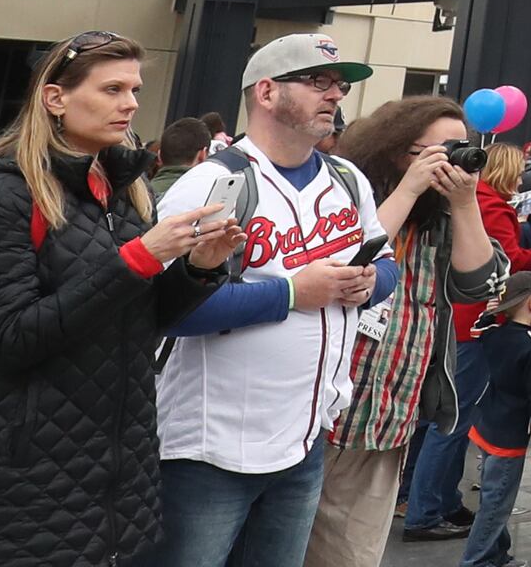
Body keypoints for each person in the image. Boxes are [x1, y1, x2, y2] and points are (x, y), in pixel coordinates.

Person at [0, 31, 241, 567]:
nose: (130, 104)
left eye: (135, 89)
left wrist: (198, 269)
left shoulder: (122, 187)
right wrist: (138, 260)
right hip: (22, 473)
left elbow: (136, 322)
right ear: (55, 99)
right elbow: (10, 338)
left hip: (117, 467)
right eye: (112, 89)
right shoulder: (1, 192)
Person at [141, 31, 388, 567]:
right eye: (318, 81)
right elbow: (165, 311)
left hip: (304, 436)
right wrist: (294, 292)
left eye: (340, 84)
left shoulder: (348, 180)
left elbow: (386, 264)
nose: (335, 94)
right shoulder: (212, 183)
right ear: (267, 92)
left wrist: (370, 283)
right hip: (210, 447)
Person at [311, 97, 504, 567]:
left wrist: (464, 201)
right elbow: (349, 254)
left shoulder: (445, 216)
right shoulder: (347, 194)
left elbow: (482, 282)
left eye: (462, 148)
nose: (452, 160)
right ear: (398, 150)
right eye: (438, 150)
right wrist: (410, 190)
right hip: (320, 410)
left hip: (388, 417)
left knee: (351, 556)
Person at [406, 140, 531, 542]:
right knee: (452, 422)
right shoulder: (489, 205)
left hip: (457, 322)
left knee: (443, 419)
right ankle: (426, 510)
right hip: (471, 324)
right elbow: (504, 262)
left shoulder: (479, 201)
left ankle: (434, 500)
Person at [456, 274, 531, 567]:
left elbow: (476, 329)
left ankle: (497, 555)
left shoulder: (494, 334)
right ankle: (476, 561)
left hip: (487, 424)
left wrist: (492, 311)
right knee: (497, 505)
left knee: (493, 497)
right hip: (511, 434)